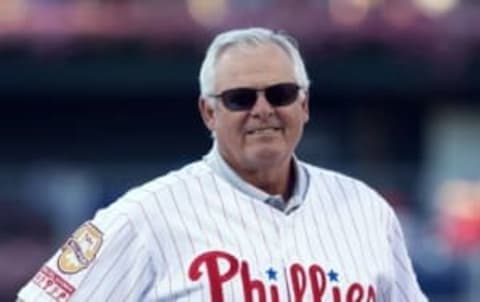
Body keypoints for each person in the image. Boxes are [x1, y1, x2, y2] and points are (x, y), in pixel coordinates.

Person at [17, 27, 428, 302]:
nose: (263, 110)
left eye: (280, 93)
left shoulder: (367, 210)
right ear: (208, 113)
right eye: (240, 98)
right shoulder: (148, 215)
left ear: (304, 105)